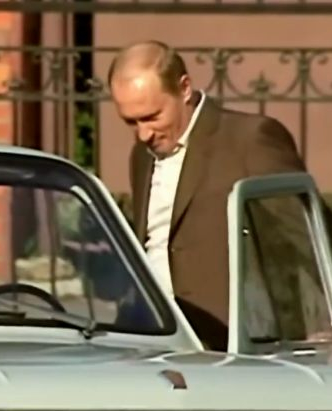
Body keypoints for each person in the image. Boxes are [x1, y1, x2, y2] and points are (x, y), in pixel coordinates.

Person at [107, 40, 309, 350]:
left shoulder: (248, 140)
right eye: (130, 122)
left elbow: (303, 238)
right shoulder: (142, 155)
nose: (143, 134)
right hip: (157, 337)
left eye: (152, 117)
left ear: (184, 88)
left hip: (231, 343)